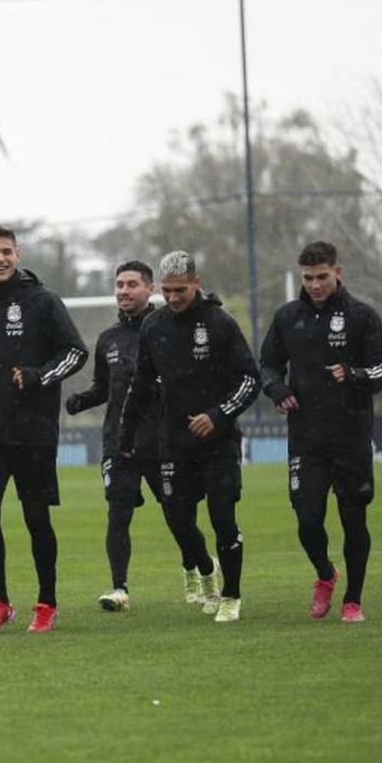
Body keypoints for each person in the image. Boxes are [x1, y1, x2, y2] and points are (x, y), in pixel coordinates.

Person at [0, 225, 88, 634]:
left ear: (18, 254)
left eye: (6, 251)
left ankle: (46, 603)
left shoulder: (44, 302)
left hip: (34, 431)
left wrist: (38, 376)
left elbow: (76, 353)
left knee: (36, 519)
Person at [66, 261, 216, 611]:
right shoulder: (108, 339)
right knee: (118, 510)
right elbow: (106, 388)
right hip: (119, 443)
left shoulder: (166, 330)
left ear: (151, 289)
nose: (123, 291)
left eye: (132, 284)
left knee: (179, 519)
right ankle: (119, 589)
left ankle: (201, 568)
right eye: (119, 284)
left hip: (163, 443)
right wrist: (82, 400)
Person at [120, 250, 260, 623]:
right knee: (179, 521)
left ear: (196, 283)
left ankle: (231, 594)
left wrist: (218, 415)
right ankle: (205, 570)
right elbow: (141, 384)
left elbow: (250, 379)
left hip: (219, 444)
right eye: (166, 291)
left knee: (221, 517)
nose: (172, 297)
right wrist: (125, 434)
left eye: (179, 290)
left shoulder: (220, 323)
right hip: (173, 443)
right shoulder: (154, 326)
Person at [259, 241, 382, 623]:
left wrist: (354, 375)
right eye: (308, 278)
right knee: (308, 520)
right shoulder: (287, 317)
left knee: (353, 518)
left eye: (322, 276)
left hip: (350, 436)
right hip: (306, 438)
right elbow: (267, 363)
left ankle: (353, 599)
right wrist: (277, 388)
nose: (315, 284)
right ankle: (325, 574)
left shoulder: (361, 316)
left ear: (338, 272)